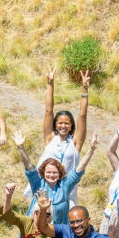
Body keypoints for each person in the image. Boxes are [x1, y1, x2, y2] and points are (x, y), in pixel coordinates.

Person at [28, 66, 90, 205]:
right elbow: (48, 110)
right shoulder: (50, 138)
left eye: (67, 123)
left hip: (66, 190)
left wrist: (84, 90)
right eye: (60, 123)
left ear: (71, 126)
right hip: (45, 187)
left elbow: (83, 115)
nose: (63, 126)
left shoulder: (75, 143)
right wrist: (50, 84)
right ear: (55, 125)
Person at [14, 130, 98, 226]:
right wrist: (20, 146)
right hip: (35, 229)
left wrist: (91, 150)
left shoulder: (65, 185)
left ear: (59, 173)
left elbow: (79, 169)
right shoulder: (38, 183)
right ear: (43, 173)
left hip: (56, 232)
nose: (51, 175)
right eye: (48, 172)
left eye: (54, 172)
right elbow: (29, 166)